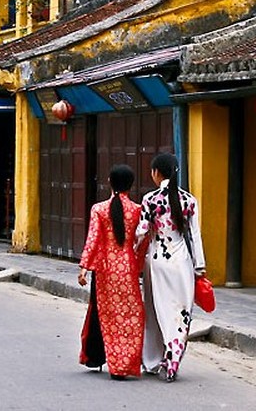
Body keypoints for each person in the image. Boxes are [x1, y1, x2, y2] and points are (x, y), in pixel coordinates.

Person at [136, 152, 206, 382]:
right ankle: (173, 359)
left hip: (157, 261)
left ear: (157, 173)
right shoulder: (189, 200)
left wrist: (132, 252)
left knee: (156, 311)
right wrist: (200, 267)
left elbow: (141, 232)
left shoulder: (150, 199)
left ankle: (153, 360)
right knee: (180, 313)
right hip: (182, 263)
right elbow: (195, 235)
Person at [77, 164, 145, 380]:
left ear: (109, 181)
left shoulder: (99, 209)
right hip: (128, 270)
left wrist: (84, 268)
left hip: (105, 270)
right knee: (129, 316)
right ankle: (123, 363)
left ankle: (101, 358)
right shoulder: (137, 210)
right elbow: (141, 240)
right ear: (131, 185)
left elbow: (93, 239)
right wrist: (140, 265)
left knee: (104, 315)